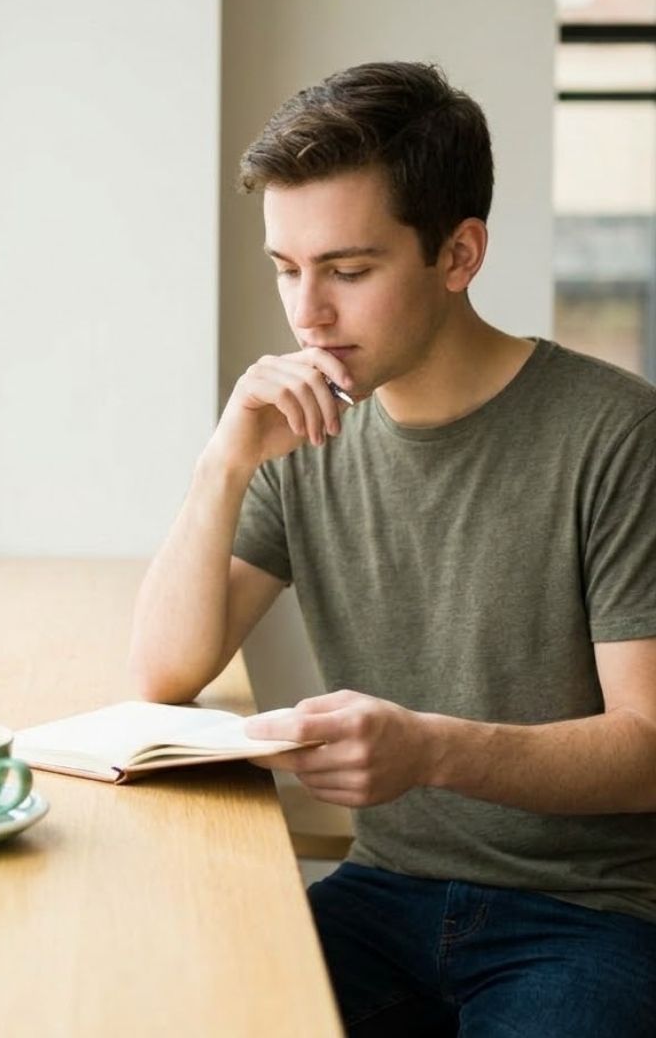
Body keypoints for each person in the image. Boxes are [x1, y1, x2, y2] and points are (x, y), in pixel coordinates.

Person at [128, 60, 656, 1036]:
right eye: (286, 269)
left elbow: (647, 748)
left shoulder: (616, 433)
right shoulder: (303, 432)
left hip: (588, 920)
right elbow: (165, 669)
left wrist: (427, 749)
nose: (307, 314)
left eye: (349, 270)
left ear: (458, 255)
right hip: (379, 896)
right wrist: (222, 464)